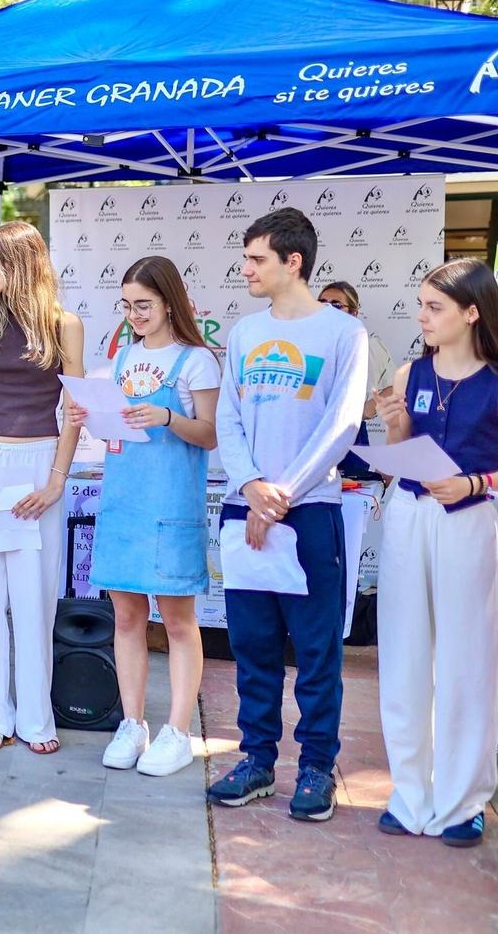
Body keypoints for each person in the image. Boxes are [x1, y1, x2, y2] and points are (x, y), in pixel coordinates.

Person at [206, 208, 366, 822]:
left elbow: (342, 424)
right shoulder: (246, 332)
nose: (246, 269)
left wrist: (282, 495)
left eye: (257, 259)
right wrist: (252, 487)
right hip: (245, 508)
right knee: (253, 646)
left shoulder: (343, 333)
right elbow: (228, 418)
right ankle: (256, 760)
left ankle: (317, 767)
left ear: (293, 261)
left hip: (310, 513)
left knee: (317, 651)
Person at [75, 257, 220, 777]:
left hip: (170, 503)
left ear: (169, 302)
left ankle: (178, 730)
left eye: (144, 305)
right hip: (124, 500)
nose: (134, 315)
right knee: (127, 617)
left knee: (177, 620)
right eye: (127, 306)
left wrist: (169, 417)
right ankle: (132, 723)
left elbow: (211, 434)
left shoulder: (197, 361)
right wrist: (88, 415)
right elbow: (117, 429)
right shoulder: (122, 358)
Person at [0, 221, 85, 754]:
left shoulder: (65, 325)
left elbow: (75, 409)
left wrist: (56, 481)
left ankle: (35, 719)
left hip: (39, 463)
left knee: (35, 599)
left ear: (21, 264)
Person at [374, 259, 498, 847]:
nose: (422, 316)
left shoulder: (495, 379)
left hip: (470, 521)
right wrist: (394, 426)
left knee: (466, 657)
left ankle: (463, 800)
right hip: (408, 513)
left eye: (434, 306)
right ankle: (410, 794)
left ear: (472, 313)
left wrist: (473, 483)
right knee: (403, 651)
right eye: (421, 304)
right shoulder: (410, 373)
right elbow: (401, 451)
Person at [320, 281, 394, 476]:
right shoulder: (305, 346)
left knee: (350, 491)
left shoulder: (367, 345)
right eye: (322, 303)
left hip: (350, 435)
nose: (328, 309)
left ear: (353, 313)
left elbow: (396, 386)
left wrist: (370, 406)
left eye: (336, 305)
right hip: (309, 434)